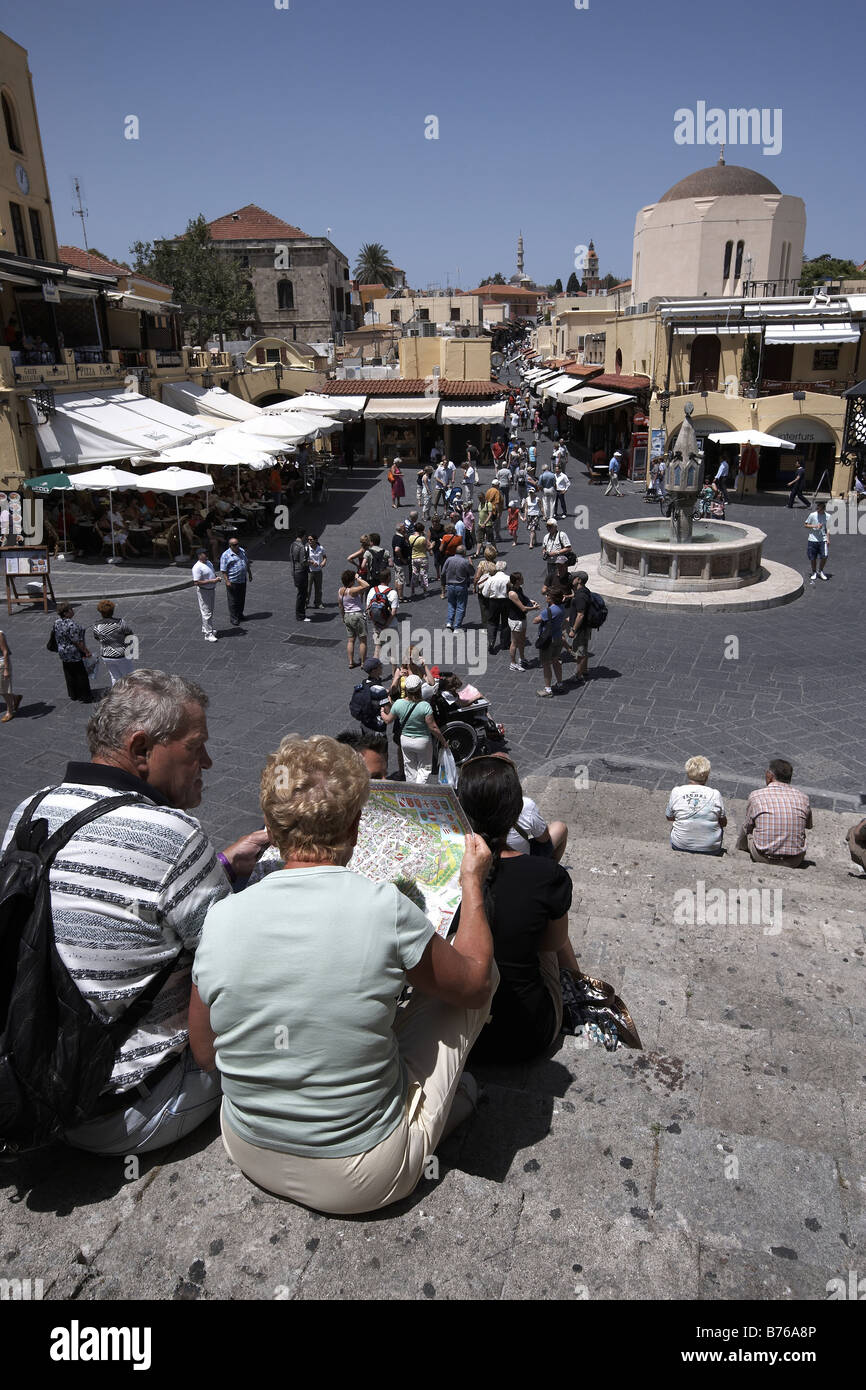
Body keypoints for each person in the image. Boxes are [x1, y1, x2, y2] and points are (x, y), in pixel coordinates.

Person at [190, 735, 496, 1215]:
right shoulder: (384, 909)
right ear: (356, 827)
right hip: (361, 1177)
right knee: (479, 972)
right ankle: (437, 1116)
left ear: (271, 826)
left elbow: (207, 1053)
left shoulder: (220, 918)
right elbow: (475, 985)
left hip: (246, 1147)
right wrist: (471, 884)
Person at [0, 670, 268, 1155]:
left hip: (34, 1081)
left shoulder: (31, 810)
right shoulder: (173, 834)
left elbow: (121, 903)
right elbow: (241, 972)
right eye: (196, 747)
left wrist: (222, 864)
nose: (206, 761)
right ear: (142, 749)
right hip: (127, 1107)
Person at [455, 755, 580, 1063]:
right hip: (528, 1034)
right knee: (554, 932)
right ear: (515, 811)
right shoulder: (547, 875)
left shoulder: (444, 870)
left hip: (467, 1038)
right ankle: (579, 991)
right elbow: (550, 945)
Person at [736, 759, 812, 867]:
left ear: (769, 775)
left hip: (761, 857)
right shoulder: (804, 798)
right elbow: (808, 825)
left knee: (749, 827)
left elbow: (747, 826)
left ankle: (740, 849)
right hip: (794, 860)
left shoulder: (756, 796)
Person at [381, 675, 448, 783]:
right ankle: (419, 790)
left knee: (410, 769)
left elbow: (388, 720)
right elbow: (433, 727)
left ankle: (412, 791)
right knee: (424, 768)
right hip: (422, 741)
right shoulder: (425, 706)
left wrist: (382, 712)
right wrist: (443, 741)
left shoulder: (398, 703)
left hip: (405, 740)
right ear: (419, 689)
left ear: (406, 689)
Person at [665, 756, 727, 855]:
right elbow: (723, 823)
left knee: (675, 826)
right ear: (707, 776)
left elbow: (669, 817)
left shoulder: (676, 791)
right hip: (711, 849)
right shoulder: (715, 794)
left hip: (679, 845)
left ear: (688, 774)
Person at [52, 603, 93, 703]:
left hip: (63, 651)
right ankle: (85, 696)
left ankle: (73, 694)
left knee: (69, 673)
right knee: (81, 674)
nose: (72, 611)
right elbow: (77, 641)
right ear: (66, 613)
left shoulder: (57, 622)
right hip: (73, 653)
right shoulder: (71, 625)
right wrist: (86, 651)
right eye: (70, 609)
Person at [92, 600, 136, 687]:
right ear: (112, 611)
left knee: (114, 677)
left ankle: (116, 696)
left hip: (106, 655)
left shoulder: (96, 625)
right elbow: (130, 634)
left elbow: (97, 638)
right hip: (121, 654)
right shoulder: (120, 623)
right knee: (129, 677)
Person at [534, 586, 566, 698]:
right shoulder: (561, 608)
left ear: (552, 598)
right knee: (556, 661)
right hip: (558, 637)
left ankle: (548, 689)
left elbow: (535, 620)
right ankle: (560, 684)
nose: (546, 596)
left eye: (548, 595)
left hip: (548, 640)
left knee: (546, 664)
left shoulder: (550, 611)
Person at [565, 567, 592, 686]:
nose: (572, 579)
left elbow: (580, 615)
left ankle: (578, 676)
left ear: (579, 580)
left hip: (580, 628)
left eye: (574, 578)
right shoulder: (583, 591)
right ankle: (584, 671)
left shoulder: (580, 596)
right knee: (583, 649)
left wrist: (573, 630)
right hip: (584, 627)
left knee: (580, 652)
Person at [349, 656, 391, 733]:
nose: (382, 667)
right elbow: (388, 712)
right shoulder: (380, 690)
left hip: (365, 724)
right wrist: (389, 699)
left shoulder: (364, 683)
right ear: (374, 670)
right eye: (380, 666)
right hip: (377, 728)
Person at [338, 569, 369, 669]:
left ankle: (351, 662)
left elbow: (340, 606)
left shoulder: (340, 591)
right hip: (357, 616)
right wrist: (357, 577)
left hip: (347, 616)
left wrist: (343, 617)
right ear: (351, 581)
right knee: (362, 641)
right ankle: (363, 663)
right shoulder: (352, 591)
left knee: (351, 640)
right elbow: (366, 585)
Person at [506, 572, 537, 672]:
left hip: (521, 618)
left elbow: (523, 598)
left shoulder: (519, 588)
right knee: (514, 643)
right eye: (521, 578)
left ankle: (522, 659)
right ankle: (513, 663)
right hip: (516, 620)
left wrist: (530, 601)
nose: (523, 579)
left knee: (522, 640)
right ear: (517, 581)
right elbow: (523, 608)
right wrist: (534, 608)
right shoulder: (512, 593)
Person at [365, 570, 399, 660]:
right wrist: (386, 625)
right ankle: (394, 672)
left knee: (377, 649)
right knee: (392, 651)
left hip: (377, 625)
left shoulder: (372, 590)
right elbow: (393, 612)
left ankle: (374, 671)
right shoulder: (392, 593)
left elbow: (368, 609)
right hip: (391, 626)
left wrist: (376, 623)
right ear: (389, 578)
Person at [219, 536, 252, 628]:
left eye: (237, 544)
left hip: (242, 579)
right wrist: (227, 581)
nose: (237, 546)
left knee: (241, 599)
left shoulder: (242, 551)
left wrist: (249, 573)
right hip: (233, 581)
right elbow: (223, 570)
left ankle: (240, 614)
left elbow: (246, 562)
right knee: (233, 600)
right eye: (234, 545)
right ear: (230, 546)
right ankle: (234, 618)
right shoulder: (225, 555)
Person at [441, 544, 475, 632]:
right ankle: (457, 626)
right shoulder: (465, 562)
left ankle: (449, 623)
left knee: (451, 604)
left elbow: (443, 573)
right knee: (460, 606)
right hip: (461, 586)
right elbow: (472, 573)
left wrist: (443, 585)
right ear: (464, 552)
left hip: (450, 585)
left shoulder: (449, 559)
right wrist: (471, 564)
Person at [191, 548, 221, 642]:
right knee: (206, 612)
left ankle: (206, 628)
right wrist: (212, 581)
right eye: (205, 554)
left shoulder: (208, 562)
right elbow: (196, 582)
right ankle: (208, 634)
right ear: (199, 555)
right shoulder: (197, 567)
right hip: (204, 591)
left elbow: (211, 573)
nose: (207, 555)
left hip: (211, 589)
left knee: (210, 610)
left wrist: (216, 577)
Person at [481, 562, 510, 654]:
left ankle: (491, 642)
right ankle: (504, 643)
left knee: (492, 622)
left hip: (493, 602)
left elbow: (484, 593)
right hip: (506, 601)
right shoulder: (508, 578)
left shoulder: (491, 579)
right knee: (506, 622)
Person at [805, 499, 830, 583]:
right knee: (813, 557)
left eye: (820, 508)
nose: (818, 510)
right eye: (817, 508)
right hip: (812, 539)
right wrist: (814, 526)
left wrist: (828, 539)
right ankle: (814, 572)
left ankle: (820, 570)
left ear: (823, 508)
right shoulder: (812, 515)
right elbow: (806, 524)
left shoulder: (828, 516)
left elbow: (828, 528)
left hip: (822, 539)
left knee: (825, 555)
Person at [289, 527, 310, 621]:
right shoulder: (302, 547)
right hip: (301, 572)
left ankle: (300, 614)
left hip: (294, 571)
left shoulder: (292, 545)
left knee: (300, 593)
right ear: (304, 536)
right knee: (302, 594)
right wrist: (310, 562)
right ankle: (300, 615)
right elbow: (303, 562)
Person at [0, 627, 21, 722]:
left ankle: (10, 711)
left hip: (1, 664)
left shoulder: (0, 634)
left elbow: (5, 652)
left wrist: (6, 669)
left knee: (3, 691)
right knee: (2, 689)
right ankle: (15, 698)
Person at [391, 520, 412, 601]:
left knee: (397, 578)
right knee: (401, 580)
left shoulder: (397, 536)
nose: (405, 529)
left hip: (397, 562)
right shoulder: (400, 539)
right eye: (404, 528)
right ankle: (400, 597)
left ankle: (397, 595)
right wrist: (403, 559)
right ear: (400, 530)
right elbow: (397, 550)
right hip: (401, 563)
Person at [409, 523, 430, 595]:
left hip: (414, 557)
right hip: (423, 557)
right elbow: (427, 548)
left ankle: (412, 590)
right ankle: (424, 590)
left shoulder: (410, 537)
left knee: (414, 574)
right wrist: (432, 545)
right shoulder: (422, 538)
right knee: (423, 574)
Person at [307, 534, 327, 609]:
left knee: (318, 588)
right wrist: (311, 562)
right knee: (308, 589)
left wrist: (324, 562)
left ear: (316, 540)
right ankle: (306, 602)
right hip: (310, 571)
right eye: (308, 539)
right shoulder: (306, 548)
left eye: (311, 539)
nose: (309, 541)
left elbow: (324, 557)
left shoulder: (321, 548)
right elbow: (304, 559)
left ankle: (318, 603)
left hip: (318, 571)